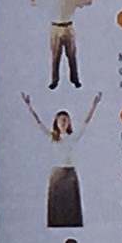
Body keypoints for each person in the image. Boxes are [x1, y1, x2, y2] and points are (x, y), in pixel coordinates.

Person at [22, 91, 97, 229]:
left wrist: (94, 105)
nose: (63, 122)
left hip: (70, 173)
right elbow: (39, 123)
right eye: (61, 120)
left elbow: (86, 122)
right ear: (56, 123)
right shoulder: (53, 137)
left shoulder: (73, 137)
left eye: (65, 120)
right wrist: (29, 106)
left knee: (71, 204)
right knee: (57, 204)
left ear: (69, 123)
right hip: (57, 174)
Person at [28, 0, 91, 89]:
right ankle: (54, 80)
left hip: (68, 27)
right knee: (55, 56)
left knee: (71, 55)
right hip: (55, 28)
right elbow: (33, 3)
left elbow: (87, 2)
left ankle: (75, 79)